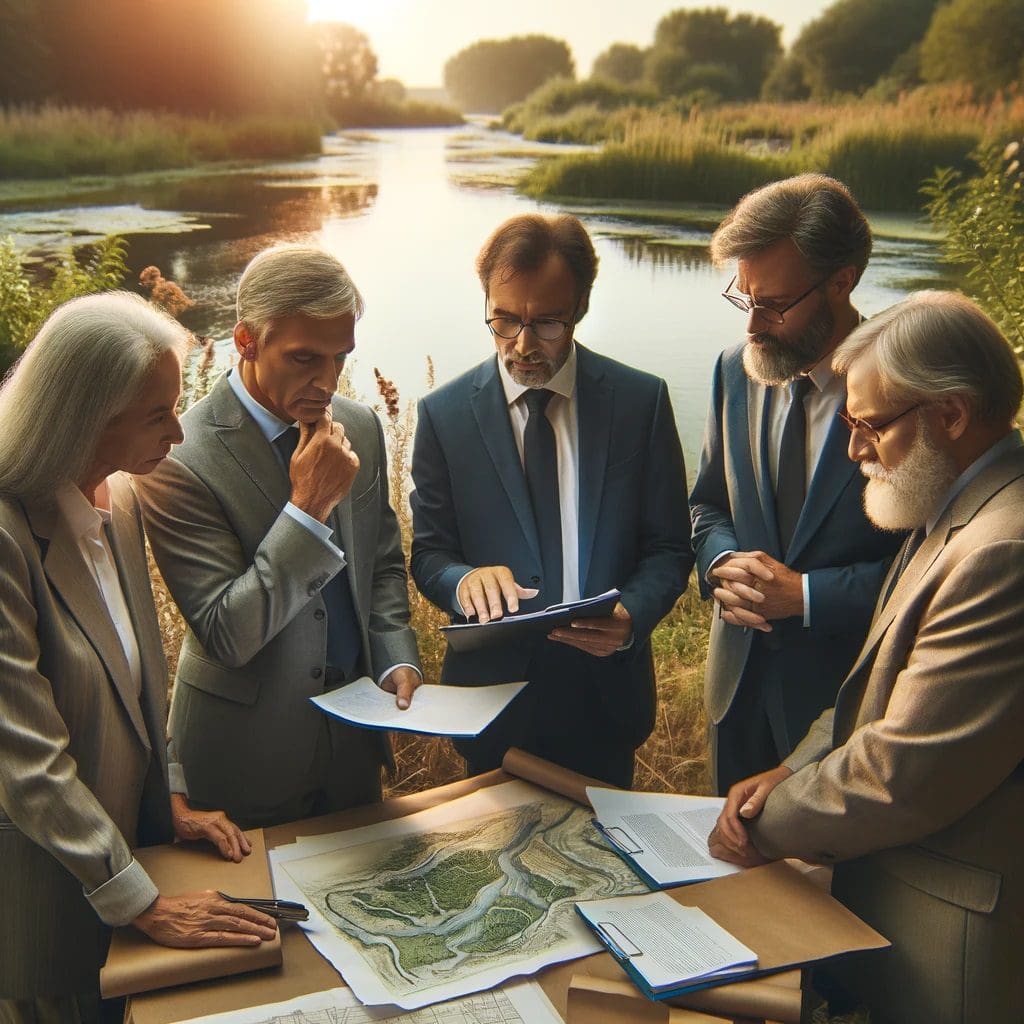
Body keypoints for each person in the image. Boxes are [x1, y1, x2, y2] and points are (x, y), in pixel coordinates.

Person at [709, 291, 1024, 1024]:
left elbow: (906, 769)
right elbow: (872, 692)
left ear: (950, 414)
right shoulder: (953, 505)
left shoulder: (1002, 552)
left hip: (954, 936)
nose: (854, 450)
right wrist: (790, 769)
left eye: (870, 427)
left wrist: (762, 822)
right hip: (902, 892)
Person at [0, 293, 276, 1022]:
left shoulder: (117, 497)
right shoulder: (4, 536)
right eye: (158, 414)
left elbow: (139, 681)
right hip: (48, 901)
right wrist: (142, 901)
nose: (179, 432)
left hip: (135, 863)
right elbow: (25, 762)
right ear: (86, 415)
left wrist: (172, 793)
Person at [136, 245, 421, 829]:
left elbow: (384, 564)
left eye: (340, 358)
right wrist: (308, 508)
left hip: (353, 754)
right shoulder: (179, 457)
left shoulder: (360, 425)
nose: (326, 382)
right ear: (245, 341)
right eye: (304, 358)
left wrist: (396, 658)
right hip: (242, 760)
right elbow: (226, 633)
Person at [410, 213, 692, 787]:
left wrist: (631, 617)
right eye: (504, 321)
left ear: (580, 307)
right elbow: (430, 554)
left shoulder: (641, 402)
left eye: (546, 324)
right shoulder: (442, 415)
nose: (522, 345)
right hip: (487, 706)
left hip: (605, 701)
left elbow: (668, 547)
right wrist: (463, 581)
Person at [689, 173, 905, 794]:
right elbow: (708, 504)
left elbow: (933, 569)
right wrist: (721, 561)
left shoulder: (910, 392)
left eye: (774, 304)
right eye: (743, 297)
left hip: (848, 710)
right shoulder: (734, 370)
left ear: (843, 282)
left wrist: (806, 596)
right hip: (734, 692)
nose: (753, 325)